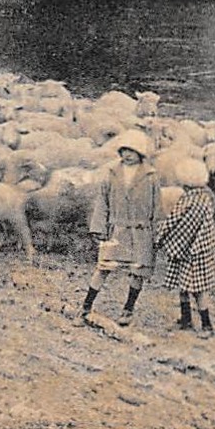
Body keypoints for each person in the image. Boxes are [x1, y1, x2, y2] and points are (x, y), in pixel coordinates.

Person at [81, 129, 161, 326]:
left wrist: (158, 233)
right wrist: (99, 227)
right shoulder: (111, 173)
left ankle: (128, 309)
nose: (127, 155)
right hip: (116, 230)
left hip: (141, 232)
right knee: (104, 267)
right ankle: (86, 305)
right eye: (124, 150)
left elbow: (157, 207)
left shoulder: (151, 176)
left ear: (140, 153)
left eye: (132, 151)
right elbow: (103, 201)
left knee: (138, 270)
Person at [157, 158, 215, 338]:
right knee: (190, 286)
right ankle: (187, 320)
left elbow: (173, 222)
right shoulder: (206, 198)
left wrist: (159, 238)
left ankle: (205, 325)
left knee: (193, 289)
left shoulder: (188, 201)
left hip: (188, 251)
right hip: (200, 249)